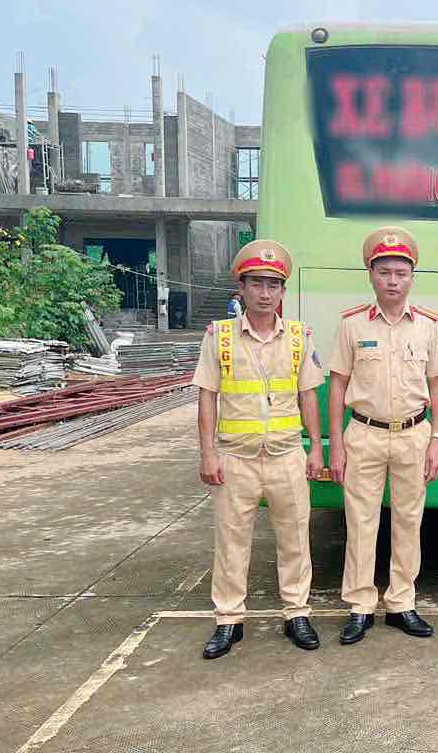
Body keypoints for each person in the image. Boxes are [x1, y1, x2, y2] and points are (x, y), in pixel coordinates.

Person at [191, 239, 324, 659]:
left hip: (287, 456)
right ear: (242, 289)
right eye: (257, 284)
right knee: (231, 541)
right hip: (236, 459)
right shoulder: (220, 337)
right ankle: (229, 621)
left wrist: (316, 448)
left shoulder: (299, 337)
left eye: (273, 284)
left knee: (295, 539)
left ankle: (296, 614)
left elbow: (308, 398)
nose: (265, 293)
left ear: (283, 292)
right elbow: (206, 397)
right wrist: (207, 453)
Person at [327, 226, 438, 645]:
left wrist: (437, 439)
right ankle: (360, 605)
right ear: (371, 275)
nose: (393, 280)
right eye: (384, 272)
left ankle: (401, 602)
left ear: (411, 277)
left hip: (415, 434)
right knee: (360, 522)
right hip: (365, 434)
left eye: (401, 272)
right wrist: (336, 443)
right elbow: (338, 384)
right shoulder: (352, 325)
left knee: (408, 522)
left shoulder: (428, 327)